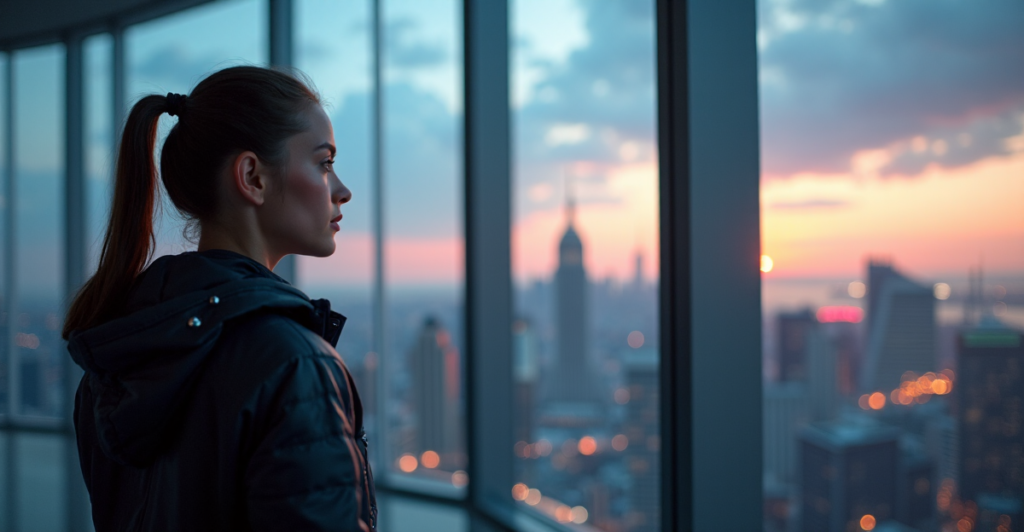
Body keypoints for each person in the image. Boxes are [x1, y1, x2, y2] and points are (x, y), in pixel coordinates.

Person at [62, 66, 376, 531]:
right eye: (324, 163)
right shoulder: (293, 366)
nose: (342, 191)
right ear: (252, 176)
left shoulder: (118, 361)